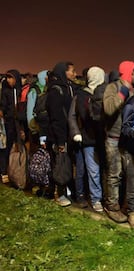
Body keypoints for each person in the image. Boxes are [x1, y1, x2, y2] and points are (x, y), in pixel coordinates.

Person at [103, 60, 134, 223]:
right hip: (113, 139)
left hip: (126, 140)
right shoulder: (114, 87)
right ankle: (112, 207)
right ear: (128, 73)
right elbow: (109, 109)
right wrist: (123, 92)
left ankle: (126, 206)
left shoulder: (133, 90)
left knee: (128, 175)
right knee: (114, 175)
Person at [68, 66, 105, 212]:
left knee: (90, 169)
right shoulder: (81, 95)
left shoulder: (97, 93)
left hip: (91, 138)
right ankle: (90, 198)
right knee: (86, 169)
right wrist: (76, 132)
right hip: (86, 138)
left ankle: (85, 196)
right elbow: (72, 116)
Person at [46, 61, 77, 207]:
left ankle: (60, 191)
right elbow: (56, 118)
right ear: (63, 72)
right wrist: (60, 141)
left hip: (65, 134)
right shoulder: (56, 90)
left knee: (62, 163)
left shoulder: (66, 87)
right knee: (59, 164)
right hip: (58, 135)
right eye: (71, 71)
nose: (74, 73)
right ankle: (59, 193)